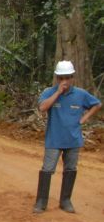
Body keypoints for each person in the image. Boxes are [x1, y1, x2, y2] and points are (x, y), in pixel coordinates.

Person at [33, 60, 100, 213]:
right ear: (57, 78)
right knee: (47, 169)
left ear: (72, 77)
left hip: (73, 140)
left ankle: (65, 200)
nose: (64, 81)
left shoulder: (81, 94)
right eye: (61, 78)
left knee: (70, 169)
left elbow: (97, 104)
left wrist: (84, 119)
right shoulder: (49, 92)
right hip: (54, 139)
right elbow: (42, 107)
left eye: (67, 77)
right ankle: (41, 202)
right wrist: (58, 93)